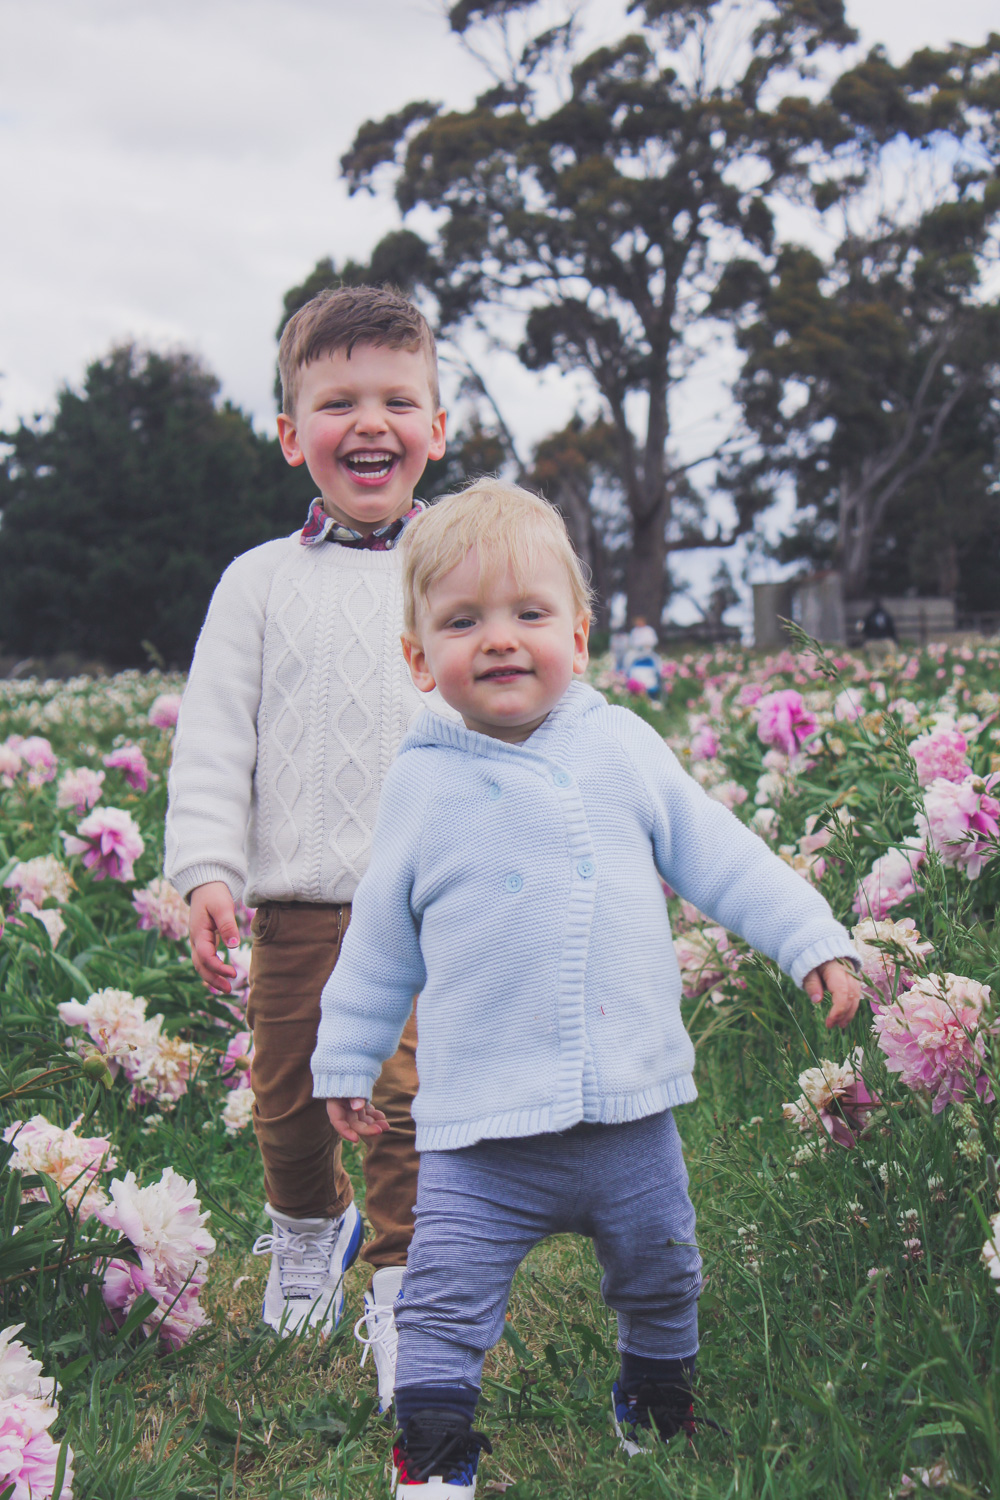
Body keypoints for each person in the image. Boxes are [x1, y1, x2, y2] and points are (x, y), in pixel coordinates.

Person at [310, 482, 862, 1495]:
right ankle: (432, 1458)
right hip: (482, 1134)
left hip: (629, 1116)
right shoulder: (422, 782)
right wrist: (348, 1055)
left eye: (529, 614)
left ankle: (656, 1408)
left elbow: (723, 857)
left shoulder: (619, 749)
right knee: (441, 1296)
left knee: (662, 1270)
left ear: (579, 629)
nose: (501, 640)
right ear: (416, 657)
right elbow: (380, 937)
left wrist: (812, 941)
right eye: (463, 620)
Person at [163, 285, 450, 1409]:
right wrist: (205, 872)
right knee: (288, 1106)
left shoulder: (458, 571)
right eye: (337, 402)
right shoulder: (258, 583)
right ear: (292, 436)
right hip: (294, 910)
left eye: (396, 399)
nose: (369, 422)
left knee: (407, 1104)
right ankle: (303, 1238)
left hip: (431, 905)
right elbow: (211, 737)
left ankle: (404, 1289)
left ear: (435, 427)